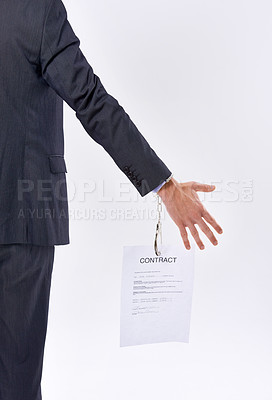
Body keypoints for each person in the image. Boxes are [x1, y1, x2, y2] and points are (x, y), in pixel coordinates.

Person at [0, 0, 223, 398]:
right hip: (22, 219)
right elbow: (90, 100)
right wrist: (165, 186)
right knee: (17, 377)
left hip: (22, 218)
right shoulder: (35, 10)